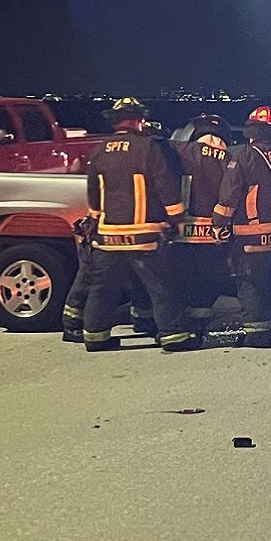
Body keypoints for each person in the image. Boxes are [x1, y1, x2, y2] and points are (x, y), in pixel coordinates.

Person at [80, 97, 194, 352]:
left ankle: (95, 337)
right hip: (145, 237)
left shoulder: (99, 150)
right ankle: (174, 336)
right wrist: (176, 218)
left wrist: (95, 220)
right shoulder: (148, 147)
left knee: (102, 289)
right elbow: (165, 185)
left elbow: (93, 193)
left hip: (108, 237)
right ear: (138, 120)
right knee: (162, 287)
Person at [213, 106, 271, 347]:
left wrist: (219, 225)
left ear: (251, 130)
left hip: (251, 237)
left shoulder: (244, 157)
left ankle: (257, 334)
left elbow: (229, 196)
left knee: (252, 284)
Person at [172, 114, 232, 328]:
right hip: (214, 233)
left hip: (183, 231)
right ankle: (200, 318)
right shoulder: (230, 160)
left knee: (181, 275)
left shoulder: (181, 151)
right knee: (208, 279)